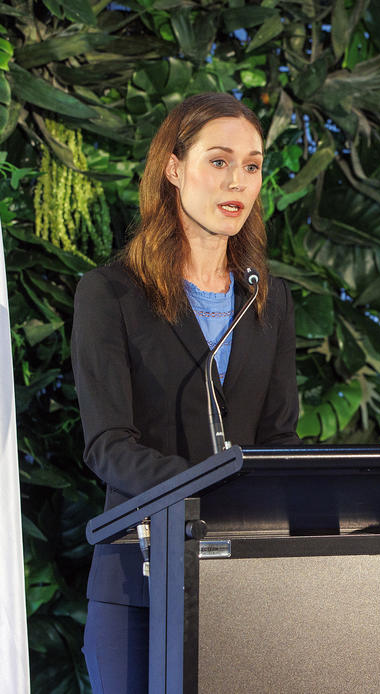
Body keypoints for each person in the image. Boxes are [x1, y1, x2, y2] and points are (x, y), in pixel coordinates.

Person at [71, 93, 300, 694]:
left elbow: (277, 438)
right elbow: (108, 444)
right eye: (219, 161)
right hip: (137, 580)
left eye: (252, 166)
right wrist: (204, 493)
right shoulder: (111, 294)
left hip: (242, 583)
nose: (239, 182)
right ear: (173, 169)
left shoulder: (266, 300)